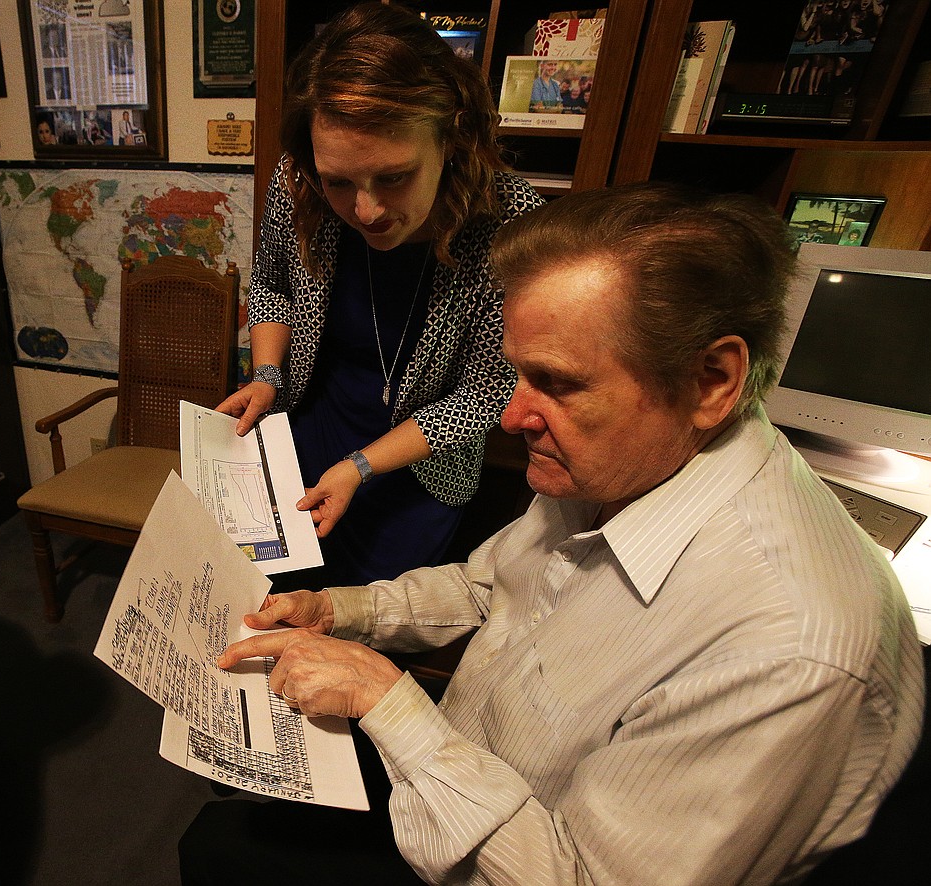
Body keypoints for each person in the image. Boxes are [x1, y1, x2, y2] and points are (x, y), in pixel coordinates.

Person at [181, 182, 924, 885]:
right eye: (517, 375)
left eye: (559, 383)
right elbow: (490, 584)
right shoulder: (623, 461)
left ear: (711, 381)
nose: (510, 417)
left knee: (220, 849)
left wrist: (388, 702)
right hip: (470, 772)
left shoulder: (788, 649)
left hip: (521, 848)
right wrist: (343, 612)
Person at [215, 2, 543, 588]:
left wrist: (362, 466)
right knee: (275, 603)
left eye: (393, 177)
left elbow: (486, 391)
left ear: (452, 137)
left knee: (370, 624)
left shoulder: (512, 226)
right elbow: (272, 286)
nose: (365, 211)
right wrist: (266, 373)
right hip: (311, 426)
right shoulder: (302, 185)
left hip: (420, 466)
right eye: (340, 181)